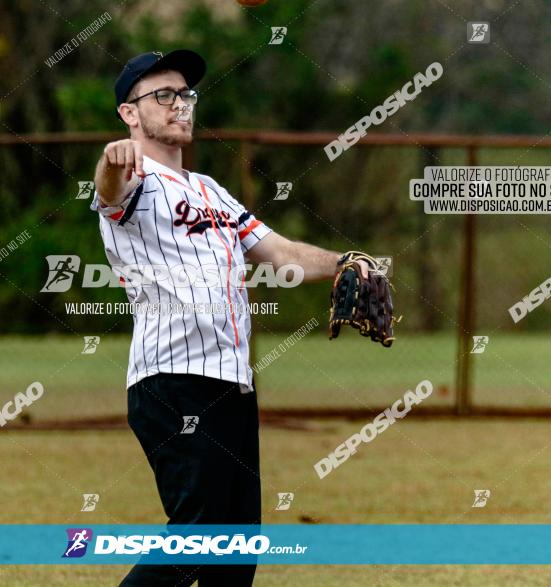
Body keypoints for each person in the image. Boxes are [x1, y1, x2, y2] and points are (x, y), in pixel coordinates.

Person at [90, 49, 369, 586]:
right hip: (172, 382)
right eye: (162, 95)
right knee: (196, 535)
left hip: (231, 384)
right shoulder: (135, 177)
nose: (180, 104)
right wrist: (110, 159)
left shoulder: (209, 190)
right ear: (129, 113)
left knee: (237, 550)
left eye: (185, 94)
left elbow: (282, 254)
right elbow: (108, 192)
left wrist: (348, 261)